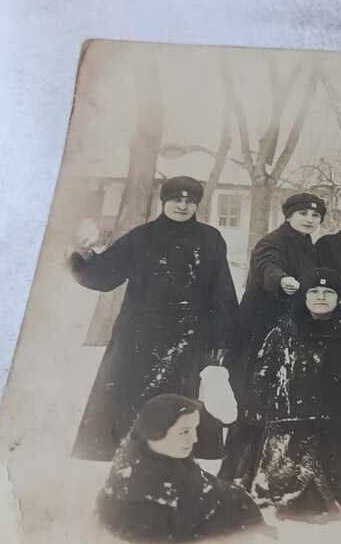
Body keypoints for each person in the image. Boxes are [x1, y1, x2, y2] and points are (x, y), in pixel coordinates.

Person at [69, 175, 236, 461]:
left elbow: (222, 290)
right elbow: (105, 275)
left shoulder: (210, 239)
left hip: (190, 335)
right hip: (141, 335)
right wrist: (83, 258)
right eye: (176, 200)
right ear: (164, 201)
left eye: (190, 201)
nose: (183, 206)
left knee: (182, 398)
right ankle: (129, 451)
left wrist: (221, 335)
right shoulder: (141, 237)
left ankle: (180, 453)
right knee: (132, 397)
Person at [237, 268, 341, 521]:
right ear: (305, 296)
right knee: (285, 508)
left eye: (328, 292)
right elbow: (261, 380)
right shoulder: (283, 331)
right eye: (314, 291)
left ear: (339, 297)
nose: (321, 297)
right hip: (292, 434)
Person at [221, 191, 325, 480]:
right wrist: (282, 280)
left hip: (288, 334)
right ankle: (236, 473)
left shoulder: (309, 246)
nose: (309, 219)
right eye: (303, 213)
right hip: (257, 336)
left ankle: (273, 470)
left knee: (282, 400)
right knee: (253, 403)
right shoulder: (272, 242)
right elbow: (267, 266)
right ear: (289, 215)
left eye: (315, 215)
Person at [97, 394, 265, 544]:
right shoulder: (138, 495)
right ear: (155, 431)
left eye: (194, 429)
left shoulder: (168, 459)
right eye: (184, 432)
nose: (194, 439)